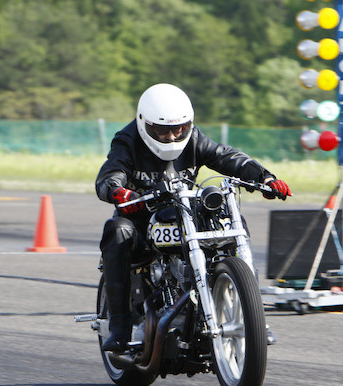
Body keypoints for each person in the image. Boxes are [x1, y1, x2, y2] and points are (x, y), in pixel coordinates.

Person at [95, 83, 292, 352]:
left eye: (179, 129)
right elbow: (110, 174)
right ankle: (119, 326)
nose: (172, 136)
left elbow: (226, 156)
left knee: (231, 223)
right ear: (145, 123)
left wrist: (264, 178)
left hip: (185, 212)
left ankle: (251, 315)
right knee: (117, 230)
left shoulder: (194, 138)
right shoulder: (127, 140)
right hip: (141, 219)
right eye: (162, 130)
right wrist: (121, 193)